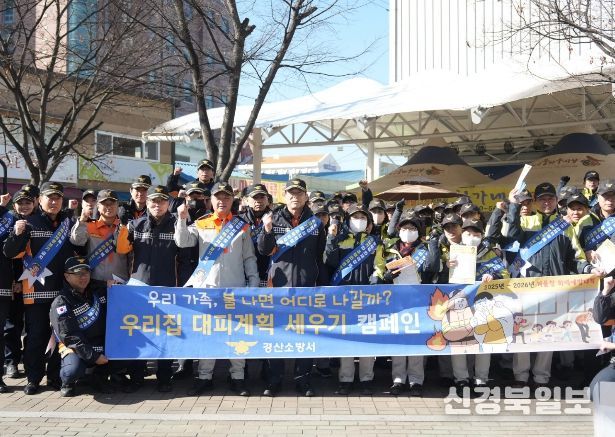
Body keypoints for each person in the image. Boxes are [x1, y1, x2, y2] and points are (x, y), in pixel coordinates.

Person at [507, 182, 602, 388]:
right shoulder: (526, 221)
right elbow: (511, 236)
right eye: (542, 199)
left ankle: (541, 377)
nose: (546, 202)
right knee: (521, 331)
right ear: (535, 202)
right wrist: (513, 206)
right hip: (526, 287)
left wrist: (588, 269)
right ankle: (520, 376)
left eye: (550, 198)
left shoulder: (565, 227)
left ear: (557, 201)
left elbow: (575, 258)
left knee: (548, 333)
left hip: (554, 290)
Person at [175, 182, 259, 397]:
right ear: (210, 200)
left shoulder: (241, 226)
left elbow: (249, 257)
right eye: (218, 197)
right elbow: (183, 242)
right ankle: (205, 377)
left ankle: (237, 377)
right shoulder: (201, 223)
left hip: (235, 288)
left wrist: (253, 283)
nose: (222, 201)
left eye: (226, 197)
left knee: (236, 333)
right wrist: (182, 219)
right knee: (207, 334)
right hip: (208, 290)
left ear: (233, 200)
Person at [3, 182, 79, 395]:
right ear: (40, 200)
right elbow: (10, 252)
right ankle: (33, 379)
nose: (53, 202)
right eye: (49, 198)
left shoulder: (69, 223)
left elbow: (80, 250)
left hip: (63, 293)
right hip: (36, 292)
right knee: (36, 337)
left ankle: (55, 377)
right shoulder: (29, 222)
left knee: (60, 336)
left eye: (57, 198)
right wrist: (17, 234)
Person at [258, 178, 327, 397]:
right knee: (277, 333)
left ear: (306, 196)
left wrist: (319, 284)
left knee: (305, 335)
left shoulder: (316, 224)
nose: (295, 197)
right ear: (284, 196)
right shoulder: (273, 218)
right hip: (278, 287)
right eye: (291, 193)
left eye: (299, 193)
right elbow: (263, 250)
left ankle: (303, 380)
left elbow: (321, 256)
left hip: (306, 288)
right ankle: (274, 380)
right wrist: (267, 230)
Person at [124, 185, 192, 393]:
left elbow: (185, 256)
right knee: (139, 334)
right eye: (153, 201)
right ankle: (136, 377)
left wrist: (182, 286)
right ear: (147, 202)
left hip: (167, 287)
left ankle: (164, 377)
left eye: (162, 201)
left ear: (167, 204)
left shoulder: (178, 224)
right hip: (139, 289)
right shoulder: (135, 225)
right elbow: (123, 254)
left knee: (166, 334)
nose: (157, 204)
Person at [376, 210, 432, 397]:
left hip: (419, 300)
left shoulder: (425, 249)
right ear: (399, 230)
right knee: (399, 340)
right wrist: (384, 276)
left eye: (412, 228)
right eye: (405, 228)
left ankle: (416, 380)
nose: (408, 231)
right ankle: (398, 379)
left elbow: (433, 270)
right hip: (396, 300)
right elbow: (378, 269)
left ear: (418, 231)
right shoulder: (389, 248)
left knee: (416, 341)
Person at [325, 206, 378, 396]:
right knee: (346, 338)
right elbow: (329, 262)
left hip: (367, 297)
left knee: (367, 340)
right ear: (348, 220)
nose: (359, 220)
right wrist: (331, 238)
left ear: (369, 223)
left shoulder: (375, 242)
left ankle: (366, 379)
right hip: (344, 297)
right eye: (356, 217)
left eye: (363, 217)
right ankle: (345, 379)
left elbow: (379, 265)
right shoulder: (340, 240)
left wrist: (376, 277)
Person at [49, 257, 115, 397]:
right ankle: (67, 382)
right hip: (76, 346)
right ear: (67, 276)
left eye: (86, 273)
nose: (83, 277)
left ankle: (98, 377)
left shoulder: (97, 290)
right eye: (78, 274)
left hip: (99, 343)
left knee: (126, 357)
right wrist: (93, 356)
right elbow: (69, 336)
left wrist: (112, 285)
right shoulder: (61, 301)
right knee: (73, 371)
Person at [3, 186, 38, 380]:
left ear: (35, 203)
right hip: (15, 283)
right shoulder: (8, 221)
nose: (24, 206)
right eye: (20, 203)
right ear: (14, 206)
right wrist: (14, 280)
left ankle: (32, 360)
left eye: (28, 202)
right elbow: (7, 256)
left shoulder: (40, 221)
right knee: (13, 325)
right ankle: (12, 361)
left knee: (34, 325)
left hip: (37, 281)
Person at [69, 190, 131, 282]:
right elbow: (76, 241)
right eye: (105, 203)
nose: (109, 207)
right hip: (95, 282)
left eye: (112, 203)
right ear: (97, 206)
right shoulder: (89, 225)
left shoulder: (125, 227)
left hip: (120, 283)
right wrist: (82, 220)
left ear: (118, 205)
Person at [239, 184, 272, 288]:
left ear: (268, 199)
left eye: (262, 197)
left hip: (269, 276)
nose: (258, 201)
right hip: (244, 277)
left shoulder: (276, 219)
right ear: (246, 200)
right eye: (255, 197)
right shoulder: (238, 221)